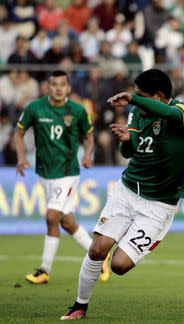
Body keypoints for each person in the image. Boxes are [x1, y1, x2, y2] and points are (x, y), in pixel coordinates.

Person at [60, 69, 184, 320]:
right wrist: (125, 139)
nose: (136, 101)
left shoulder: (183, 113)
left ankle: (145, 237)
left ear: (158, 96)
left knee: (119, 265)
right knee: (97, 249)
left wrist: (133, 99)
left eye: (141, 97)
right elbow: (128, 153)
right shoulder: (137, 112)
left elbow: (166, 112)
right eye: (135, 96)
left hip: (159, 205)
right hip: (127, 190)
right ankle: (80, 305)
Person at [15, 70, 110, 284]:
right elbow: (18, 133)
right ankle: (101, 257)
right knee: (67, 222)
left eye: (62, 84)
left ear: (68, 88)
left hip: (67, 173)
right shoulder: (35, 108)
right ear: (48, 87)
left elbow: (89, 137)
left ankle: (44, 270)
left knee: (51, 218)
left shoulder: (77, 110)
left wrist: (86, 154)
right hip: (45, 173)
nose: (58, 88)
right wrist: (21, 157)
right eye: (54, 84)